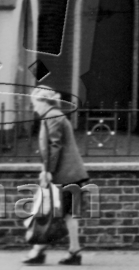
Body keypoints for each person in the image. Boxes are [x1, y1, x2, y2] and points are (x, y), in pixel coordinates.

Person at [24, 85, 89, 266]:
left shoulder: (52, 116)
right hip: (70, 173)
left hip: (63, 174)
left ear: (43, 101)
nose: (34, 108)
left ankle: (39, 251)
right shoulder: (55, 115)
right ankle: (71, 251)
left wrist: (48, 171)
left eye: (35, 103)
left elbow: (54, 146)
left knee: (48, 210)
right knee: (65, 213)